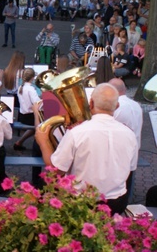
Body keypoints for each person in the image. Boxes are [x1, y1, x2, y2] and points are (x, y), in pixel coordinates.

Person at [34, 83, 137, 214]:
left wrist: (43, 142)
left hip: (81, 203)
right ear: (117, 106)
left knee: (43, 183)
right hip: (117, 203)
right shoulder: (130, 134)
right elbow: (130, 169)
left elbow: (55, 171)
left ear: (91, 103)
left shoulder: (77, 132)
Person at [13, 68, 40, 151]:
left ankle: (19, 142)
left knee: (34, 127)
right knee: (43, 125)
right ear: (32, 78)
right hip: (30, 116)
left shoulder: (21, 87)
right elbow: (37, 103)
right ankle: (39, 145)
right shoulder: (31, 89)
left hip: (22, 115)